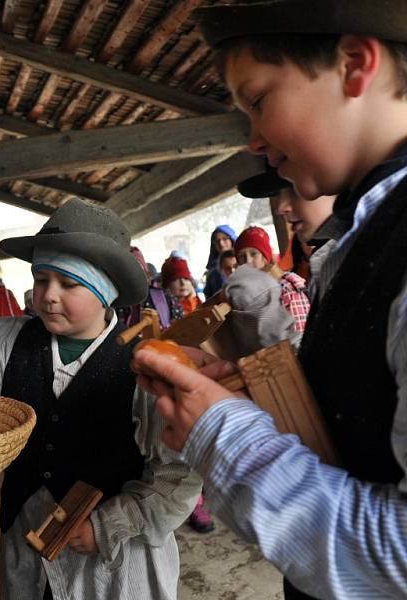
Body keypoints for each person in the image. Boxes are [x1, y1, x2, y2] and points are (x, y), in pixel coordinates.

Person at [134, 3, 407, 598]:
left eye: (257, 99)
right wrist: (246, 401)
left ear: (355, 65)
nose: (254, 140)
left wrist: (223, 434)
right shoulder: (363, 240)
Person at [0, 198, 201, 600]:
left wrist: (107, 526)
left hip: (110, 564)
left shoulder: (146, 368)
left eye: (69, 284)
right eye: (41, 279)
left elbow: (176, 476)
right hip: (27, 541)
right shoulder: (10, 342)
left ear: (106, 291)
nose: (48, 296)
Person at [234, 226, 311, 333]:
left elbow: (299, 335)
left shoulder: (285, 287)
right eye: (242, 256)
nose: (248, 260)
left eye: (254, 254)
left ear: (265, 257)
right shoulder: (243, 295)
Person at [118, 246, 183, 330]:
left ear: (147, 274)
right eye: (126, 272)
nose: (132, 277)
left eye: (137, 271)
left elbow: (180, 329)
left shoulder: (164, 296)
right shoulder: (114, 302)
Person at [203, 225, 237, 297]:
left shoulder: (243, 260)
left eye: (224, 239)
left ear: (231, 239)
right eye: (217, 241)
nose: (221, 243)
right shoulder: (212, 272)